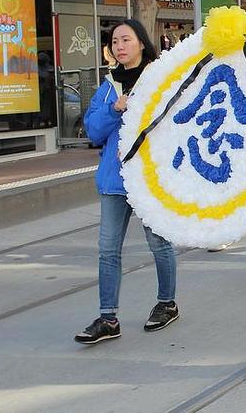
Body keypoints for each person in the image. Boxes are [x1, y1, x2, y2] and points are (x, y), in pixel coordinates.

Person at [74, 20, 178, 345]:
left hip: (149, 179)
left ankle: (167, 303)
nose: (119, 46)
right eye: (114, 41)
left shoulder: (160, 80)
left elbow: (176, 124)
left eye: (126, 40)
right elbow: (93, 131)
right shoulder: (108, 87)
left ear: (142, 43)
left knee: (159, 243)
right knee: (108, 250)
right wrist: (115, 109)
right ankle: (108, 318)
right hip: (114, 180)